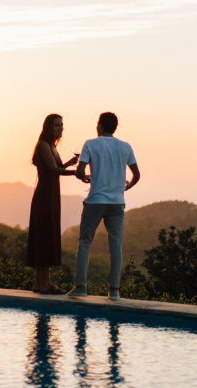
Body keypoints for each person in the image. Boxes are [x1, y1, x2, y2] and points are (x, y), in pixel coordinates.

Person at [70, 112, 140, 301]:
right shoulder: (125, 147)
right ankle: (114, 291)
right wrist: (126, 186)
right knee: (115, 246)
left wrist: (84, 177)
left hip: (95, 201)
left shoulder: (90, 144)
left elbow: (79, 171)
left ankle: (80, 287)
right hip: (117, 203)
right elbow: (136, 175)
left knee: (85, 242)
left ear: (99, 125)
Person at [27, 114, 78, 295]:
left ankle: (39, 283)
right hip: (45, 197)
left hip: (51, 196)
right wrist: (76, 172)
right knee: (45, 237)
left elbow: (58, 168)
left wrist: (71, 163)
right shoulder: (43, 145)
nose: (61, 128)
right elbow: (54, 170)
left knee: (45, 236)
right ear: (48, 127)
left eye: (62, 125)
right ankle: (46, 284)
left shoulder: (52, 147)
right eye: (57, 125)